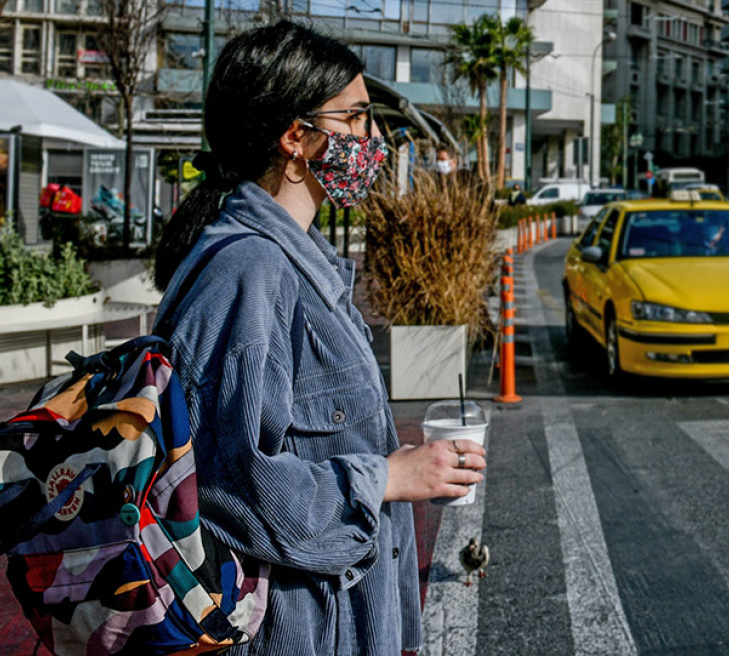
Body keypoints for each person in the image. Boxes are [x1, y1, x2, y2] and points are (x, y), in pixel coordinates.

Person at [152, 22, 485, 655]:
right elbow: (232, 484)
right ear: (295, 136)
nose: (374, 140)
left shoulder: (298, 259)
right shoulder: (251, 271)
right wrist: (385, 478)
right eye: (356, 119)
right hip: (296, 632)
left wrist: (394, 466)